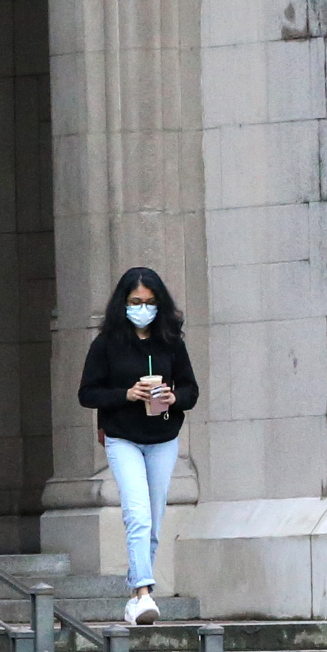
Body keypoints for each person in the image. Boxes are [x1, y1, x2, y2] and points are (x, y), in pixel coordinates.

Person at [77, 265, 200, 628]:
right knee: (137, 514)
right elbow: (88, 393)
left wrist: (172, 396)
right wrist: (126, 394)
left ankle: (135, 593)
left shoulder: (171, 342)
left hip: (163, 438)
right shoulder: (107, 344)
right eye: (135, 301)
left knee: (155, 519)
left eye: (149, 302)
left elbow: (191, 391)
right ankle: (145, 592)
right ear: (123, 303)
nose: (142, 308)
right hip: (123, 437)